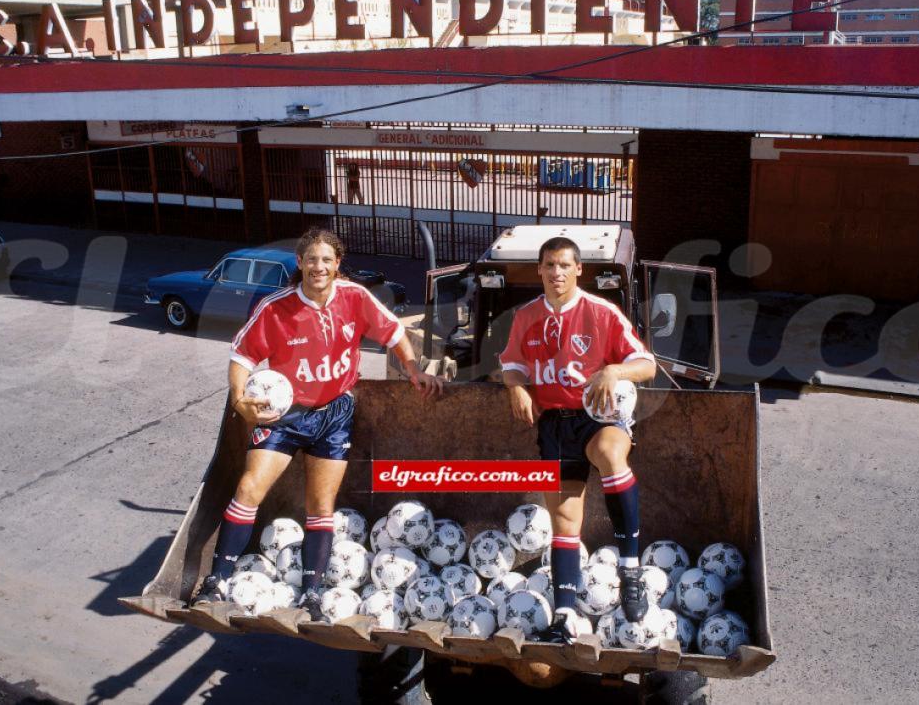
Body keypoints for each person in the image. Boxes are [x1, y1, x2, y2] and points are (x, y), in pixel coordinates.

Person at [191, 228, 445, 618]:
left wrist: (414, 371)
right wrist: (241, 401)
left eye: (327, 260)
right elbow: (241, 356)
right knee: (248, 487)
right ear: (300, 263)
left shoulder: (356, 297)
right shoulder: (276, 308)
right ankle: (217, 580)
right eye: (311, 260)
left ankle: (311, 591)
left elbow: (394, 333)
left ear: (337, 264)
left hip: (334, 413)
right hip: (286, 414)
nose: (319, 267)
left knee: (320, 504)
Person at [499, 236, 657, 644]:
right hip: (554, 424)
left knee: (608, 451)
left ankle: (630, 569)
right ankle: (566, 616)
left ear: (578, 270)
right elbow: (511, 365)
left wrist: (614, 373)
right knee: (565, 524)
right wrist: (516, 386)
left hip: (598, 418)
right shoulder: (525, 317)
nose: (556, 273)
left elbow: (647, 364)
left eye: (564, 266)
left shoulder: (601, 312)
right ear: (539, 270)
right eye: (549, 265)